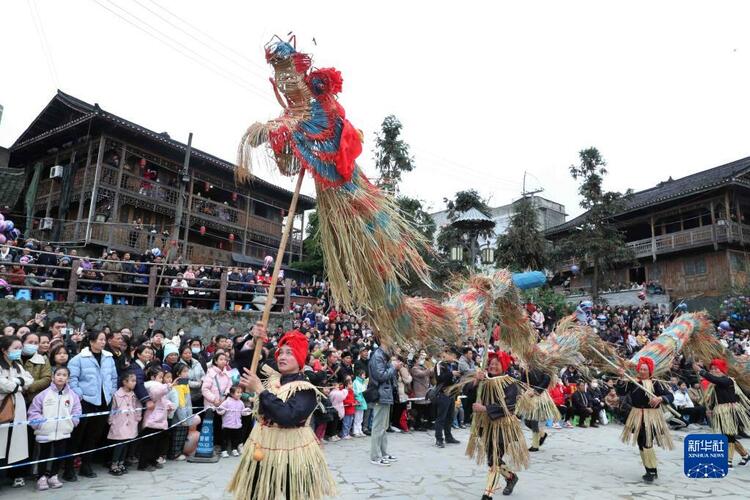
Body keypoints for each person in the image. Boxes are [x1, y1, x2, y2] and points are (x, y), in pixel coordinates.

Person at [228, 325, 336, 500]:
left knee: (292, 494)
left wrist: (261, 391)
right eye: (281, 352)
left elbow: (288, 416)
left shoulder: (305, 388)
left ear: (300, 358)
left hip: (293, 450)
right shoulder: (271, 375)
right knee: (257, 493)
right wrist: (254, 340)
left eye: (290, 353)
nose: (283, 356)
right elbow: (245, 364)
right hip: (262, 445)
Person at [464, 351, 527, 498]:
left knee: (494, 459)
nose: (492, 366)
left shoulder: (510, 383)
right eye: (491, 364)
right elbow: (469, 394)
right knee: (492, 459)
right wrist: (475, 381)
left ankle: (488, 495)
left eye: (496, 364)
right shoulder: (484, 380)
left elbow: (509, 405)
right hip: (485, 426)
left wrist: (485, 408)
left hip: (503, 427)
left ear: (503, 366)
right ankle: (511, 477)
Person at [65, 330, 118, 481]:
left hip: (103, 402)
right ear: (92, 341)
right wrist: (80, 394)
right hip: (85, 402)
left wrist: (111, 392)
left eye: (104, 340)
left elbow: (113, 378)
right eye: (100, 339)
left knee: (93, 436)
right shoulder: (79, 359)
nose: (103, 342)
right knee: (77, 436)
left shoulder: (109, 358)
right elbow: (72, 379)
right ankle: (69, 468)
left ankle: (86, 465)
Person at [617, 357, 674, 482]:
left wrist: (660, 398)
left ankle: (652, 471)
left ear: (650, 371)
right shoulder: (632, 382)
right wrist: (621, 377)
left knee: (647, 441)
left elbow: (670, 396)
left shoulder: (655, 383)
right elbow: (620, 391)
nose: (642, 371)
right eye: (641, 369)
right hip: (637, 415)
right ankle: (649, 468)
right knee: (640, 441)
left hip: (652, 416)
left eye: (645, 369)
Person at [27, 366, 82, 490]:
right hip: (45, 432)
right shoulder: (43, 395)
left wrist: (72, 422)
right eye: (58, 374)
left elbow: (77, 410)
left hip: (63, 431)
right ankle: (41, 477)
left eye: (64, 375)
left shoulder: (72, 395)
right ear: (53, 377)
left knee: (59, 454)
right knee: (44, 455)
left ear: (68, 379)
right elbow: (34, 411)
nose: (61, 377)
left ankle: (54, 475)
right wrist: (39, 424)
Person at [693, 358, 750, 467]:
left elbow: (716, 380)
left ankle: (728, 461)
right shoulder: (714, 385)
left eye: (716, 369)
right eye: (712, 369)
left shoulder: (727, 380)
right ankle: (745, 455)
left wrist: (701, 371)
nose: (714, 371)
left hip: (731, 411)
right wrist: (709, 409)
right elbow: (714, 399)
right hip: (721, 412)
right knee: (727, 435)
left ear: (722, 370)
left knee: (729, 435)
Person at [0, 335, 34, 488]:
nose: (18, 351)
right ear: (4, 350)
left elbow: (29, 380)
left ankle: (16, 475)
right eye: (15, 348)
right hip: (3, 406)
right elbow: (3, 385)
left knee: (17, 442)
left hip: (18, 407)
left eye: (20, 348)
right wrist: (18, 384)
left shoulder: (18, 365)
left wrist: (17, 383)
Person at [367, 341, 400, 466]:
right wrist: (393, 367)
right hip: (380, 395)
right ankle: (375, 456)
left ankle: (383, 453)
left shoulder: (384, 356)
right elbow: (380, 376)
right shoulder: (377, 356)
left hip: (385, 394)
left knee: (384, 426)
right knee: (378, 426)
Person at [138, 366, 174, 471]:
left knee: (158, 444)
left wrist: (169, 405)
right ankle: (143, 464)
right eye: (160, 377)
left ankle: (153, 460)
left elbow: (163, 399)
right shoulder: (150, 386)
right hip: (151, 420)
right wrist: (167, 387)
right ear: (153, 377)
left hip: (160, 419)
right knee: (149, 444)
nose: (162, 379)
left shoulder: (160, 387)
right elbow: (155, 394)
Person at [107, 372, 141, 476]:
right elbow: (113, 408)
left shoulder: (134, 395)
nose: (134, 383)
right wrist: (111, 420)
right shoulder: (117, 394)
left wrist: (137, 417)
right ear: (124, 382)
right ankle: (114, 464)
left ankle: (121, 463)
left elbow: (138, 406)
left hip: (131, 421)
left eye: (135, 381)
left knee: (126, 443)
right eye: (132, 381)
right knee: (119, 444)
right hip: (119, 421)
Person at [516, 367, 556, 451]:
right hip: (529, 395)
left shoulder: (545, 367)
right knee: (527, 421)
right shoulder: (527, 368)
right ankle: (542, 434)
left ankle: (535, 445)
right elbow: (522, 382)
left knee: (534, 420)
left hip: (540, 396)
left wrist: (535, 391)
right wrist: (524, 386)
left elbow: (546, 381)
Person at [434, 346, 461, 448]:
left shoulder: (453, 365)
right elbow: (440, 378)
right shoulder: (440, 365)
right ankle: (439, 439)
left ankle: (448, 436)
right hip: (443, 393)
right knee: (441, 417)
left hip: (452, 394)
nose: (453, 357)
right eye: (452, 355)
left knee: (450, 417)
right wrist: (451, 373)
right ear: (445, 354)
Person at [168, 362, 194, 461]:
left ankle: (179, 452)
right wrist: (183, 418)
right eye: (184, 371)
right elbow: (180, 404)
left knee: (182, 435)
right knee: (177, 436)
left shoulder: (185, 384)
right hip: (179, 417)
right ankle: (175, 454)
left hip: (186, 415)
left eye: (187, 371)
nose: (187, 373)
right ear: (178, 373)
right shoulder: (178, 386)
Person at [216, 386, 250, 457]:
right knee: (225, 438)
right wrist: (221, 410)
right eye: (238, 392)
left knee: (235, 438)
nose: (240, 394)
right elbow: (220, 410)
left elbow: (242, 412)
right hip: (227, 424)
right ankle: (224, 450)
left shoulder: (241, 402)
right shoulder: (227, 402)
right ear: (232, 393)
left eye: (241, 392)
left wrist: (247, 411)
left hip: (237, 425)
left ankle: (234, 449)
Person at [352, 369, 368, 437]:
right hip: (359, 400)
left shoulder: (362, 382)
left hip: (362, 399)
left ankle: (359, 430)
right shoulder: (356, 382)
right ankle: (355, 431)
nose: (365, 376)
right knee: (357, 417)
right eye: (363, 374)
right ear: (360, 375)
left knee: (360, 417)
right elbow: (356, 392)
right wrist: (358, 399)